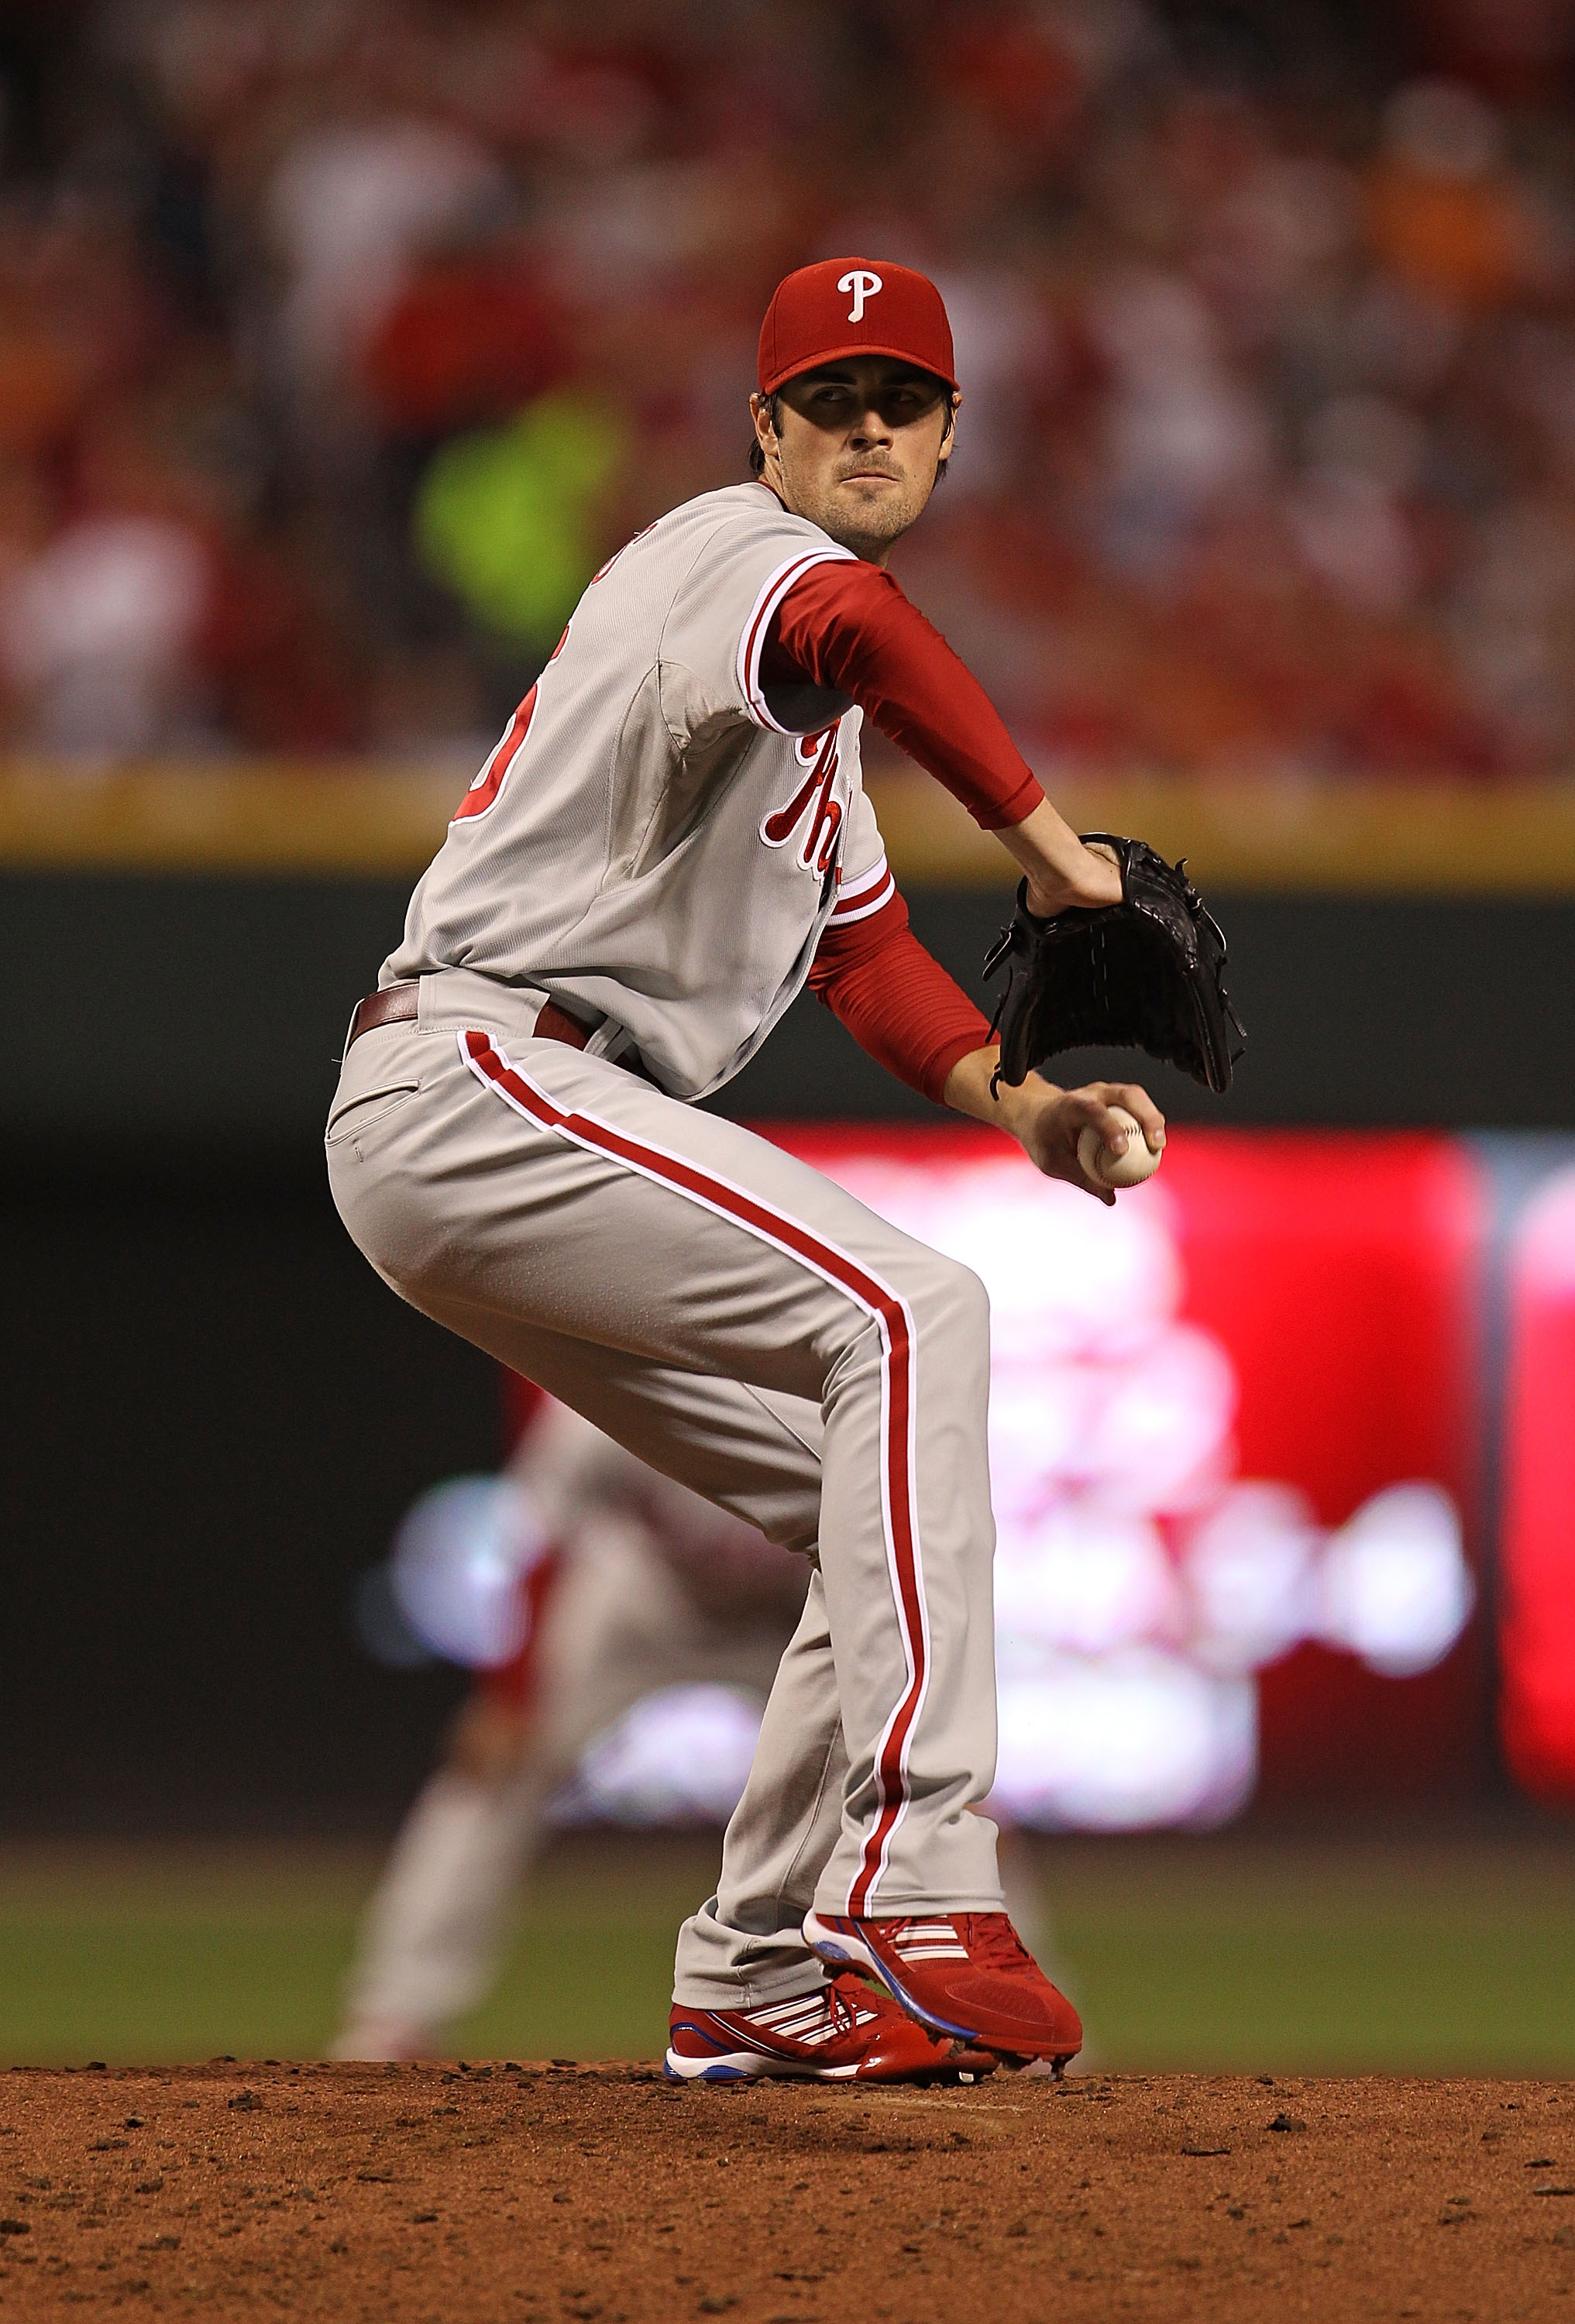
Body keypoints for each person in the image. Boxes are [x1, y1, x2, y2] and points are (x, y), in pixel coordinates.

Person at [325, 255, 1165, 2083]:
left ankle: (756, 1966)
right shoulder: (727, 556)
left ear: (948, 437)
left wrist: (1025, 1105)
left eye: (903, 403)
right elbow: (863, 633)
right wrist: (1051, 850)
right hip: (487, 1064)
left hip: (505, 1108)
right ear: (765, 430)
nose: (866, 427)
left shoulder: (802, 732)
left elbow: (862, 955)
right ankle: (920, 1868)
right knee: (918, 1310)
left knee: (845, 1512)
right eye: (830, 399)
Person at [332, 1396, 810, 2062]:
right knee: (493, 1772)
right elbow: (536, 1539)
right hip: (639, 1604)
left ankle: (979, 1993)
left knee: (918, 1776)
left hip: (794, 1613)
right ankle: (396, 2014)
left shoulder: (839, 1405)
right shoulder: (610, 1403)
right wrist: (508, 1695)